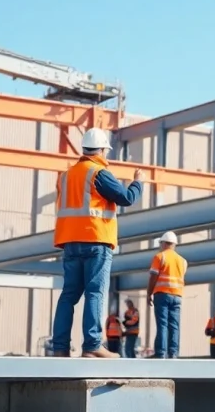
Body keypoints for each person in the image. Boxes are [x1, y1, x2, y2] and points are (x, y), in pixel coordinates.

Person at [51, 127, 143, 358]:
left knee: (68, 295)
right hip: (95, 239)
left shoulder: (66, 175)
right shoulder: (98, 173)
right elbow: (126, 198)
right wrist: (138, 183)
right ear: (102, 150)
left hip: (70, 242)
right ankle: (92, 346)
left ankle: (60, 348)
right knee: (95, 292)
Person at [147, 231, 187, 359]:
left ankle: (160, 353)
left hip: (162, 294)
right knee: (174, 325)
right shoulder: (183, 261)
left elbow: (153, 276)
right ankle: (173, 353)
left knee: (162, 324)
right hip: (177, 296)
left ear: (163, 243)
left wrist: (149, 293)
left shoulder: (160, 257)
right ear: (174, 245)